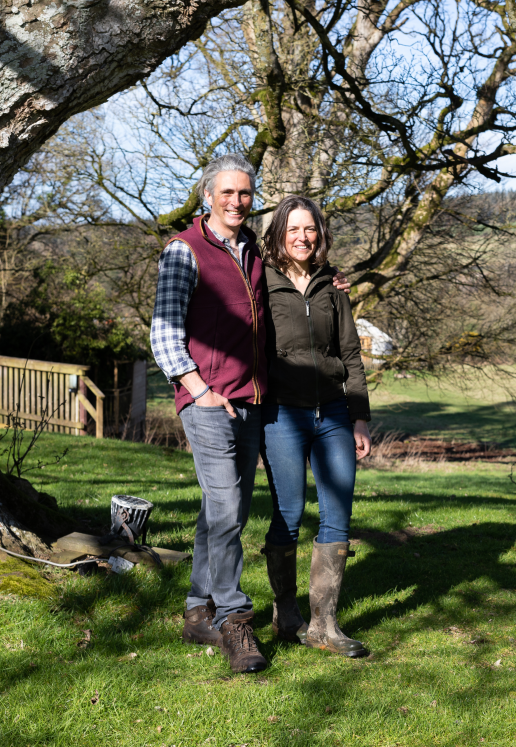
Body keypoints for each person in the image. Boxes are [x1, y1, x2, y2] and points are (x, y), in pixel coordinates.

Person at [149, 156, 349, 674]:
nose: (237, 202)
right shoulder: (184, 251)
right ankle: (235, 622)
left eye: (245, 193)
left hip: (254, 404)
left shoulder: (255, 254)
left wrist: (330, 286)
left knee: (221, 511)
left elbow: (291, 293)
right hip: (211, 403)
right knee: (228, 508)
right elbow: (164, 333)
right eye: (227, 193)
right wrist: (198, 388)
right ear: (207, 195)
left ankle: (198, 610)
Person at [259, 195, 372, 658]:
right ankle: (286, 614)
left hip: (334, 415)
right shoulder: (260, 283)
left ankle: (324, 625)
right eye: (294, 229)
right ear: (279, 233)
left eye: (311, 230)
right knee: (288, 512)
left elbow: (350, 356)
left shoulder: (333, 286)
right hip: (282, 413)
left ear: (320, 234)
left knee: (337, 514)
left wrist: (360, 417)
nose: (303, 238)